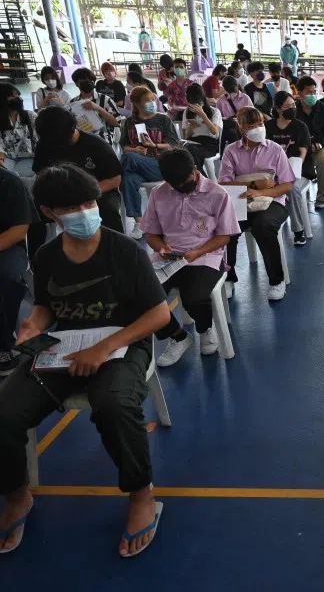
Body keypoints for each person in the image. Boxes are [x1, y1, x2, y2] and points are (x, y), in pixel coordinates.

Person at [0, 163, 170, 557]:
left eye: (89, 202)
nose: (85, 211)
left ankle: (141, 494)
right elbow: (46, 305)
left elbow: (159, 314)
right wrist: (33, 324)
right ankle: (16, 493)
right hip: (64, 345)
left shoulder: (125, 250)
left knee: (114, 406)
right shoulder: (46, 256)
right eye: (72, 207)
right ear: (49, 213)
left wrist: (104, 347)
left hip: (124, 343)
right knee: (5, 410)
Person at [141, 148, 241, 366]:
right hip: (169, 257)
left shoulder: (217, 194)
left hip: (205, 255)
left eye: (184, 182)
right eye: (174, 185)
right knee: (141, 296)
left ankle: (205, 329)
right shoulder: (159, 193)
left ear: (195, 171)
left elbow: (224, 237)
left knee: (194, 296)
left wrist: (197, 252)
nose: (180, 189)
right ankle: (178, 337)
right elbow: (151, 233)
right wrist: (160, 246)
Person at [220, 107, 293, 301]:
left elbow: (286, 185)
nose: (258, 128)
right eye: (252, 126)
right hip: (241, 200)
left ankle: (276, 281)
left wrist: (261, 191)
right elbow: (224, 184)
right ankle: (228, 277)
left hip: (273, 201)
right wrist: (253, 184)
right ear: (242, 128)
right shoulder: (231, 151)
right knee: (226, 227)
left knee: (263, 226)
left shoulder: (275, 149)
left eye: (260, 124)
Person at [33, 106, 124, 234]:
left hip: (95, 192)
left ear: (71, 130)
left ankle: (118, 249)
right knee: (33, 212)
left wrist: (82, 193)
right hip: (59, 192)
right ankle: (35, 252)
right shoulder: (45, 144)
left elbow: (114, 180)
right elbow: (40, 172)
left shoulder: (97, 146)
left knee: (108, 210)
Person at [119, 86, 181, 240]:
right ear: (136, 104)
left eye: (153, 99)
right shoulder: (129, 122)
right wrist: (136, 150)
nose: (152, 103)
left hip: (160, 164)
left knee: (127, 160)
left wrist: (154, 146)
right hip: (137, 165)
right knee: (128, 178)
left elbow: (174, 145)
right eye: (147, 101)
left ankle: (117, 177)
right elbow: (125, 146)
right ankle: (139, 222)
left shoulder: (163, 119)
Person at [0, 166, 39, 374]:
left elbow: (18, 230)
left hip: (7, 246)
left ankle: (4, 343)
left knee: (7, 277)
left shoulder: (9, 183)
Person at [267, 91, 312, 246]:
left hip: (298, 172)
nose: (293, 108)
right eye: (289, 106)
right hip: (273, 173)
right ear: (279, 109)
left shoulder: (300, 126)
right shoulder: (269, 127)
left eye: (294, 105)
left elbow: (303, 152)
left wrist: (290, 173)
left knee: (292, 189)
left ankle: (298, 231)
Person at [294, 76, 324, 209]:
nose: (312, 95)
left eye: (314, 92)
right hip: (299, 149)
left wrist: (320, 144)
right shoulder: (294, 110)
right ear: (300, 93)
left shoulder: (323, 109)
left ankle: (321, 197)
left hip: (320, 147)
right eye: (309, 92)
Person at [181, 83, 222, 173]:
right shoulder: (187, 112)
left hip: (209, 144)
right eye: (193, 104)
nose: (196, 106)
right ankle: (201, 178)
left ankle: (199, 178)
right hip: (193, 142)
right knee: (185, 151)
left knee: (189, 152)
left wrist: (203, 115)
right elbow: (186, 136)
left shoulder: (214, 111)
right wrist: (190, 128)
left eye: (198, 103)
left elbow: (214, 131)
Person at [69, 67, 119, 138]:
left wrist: (98, 108)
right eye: (84, 81)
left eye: (90, 80)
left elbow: (117, 123)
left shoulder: (105, 99)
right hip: (82, 140)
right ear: (77, 84)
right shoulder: (73, 103)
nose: (88, 83)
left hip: (104, 139)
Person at [0, 84, 37, 179]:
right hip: (8, 159)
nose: (17, 98)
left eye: (18, 95)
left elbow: (39, 138)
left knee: (18, 178)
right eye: (12, 95)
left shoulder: (30, 116)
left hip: (30, 158)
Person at [216, 75, 253, 149]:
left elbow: (252, 115)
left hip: (242, 125)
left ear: (237, 86)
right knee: (224, 129)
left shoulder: (245, 98)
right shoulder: (221, 100)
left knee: (230, 132)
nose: (233, 93)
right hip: (227, 125)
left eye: (234, 89)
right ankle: (221, 152)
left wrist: (241, 119)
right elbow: (218, 116)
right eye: (230, 91)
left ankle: (232, 152)